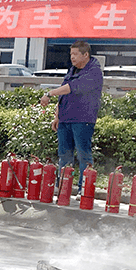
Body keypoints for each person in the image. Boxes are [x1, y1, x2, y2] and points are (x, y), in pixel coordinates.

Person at [39, 40, 103, 189]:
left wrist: (49, 93)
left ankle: (83, 189)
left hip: (82, 119)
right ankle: (62, 187)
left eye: (75, 54)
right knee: (64, 155)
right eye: (71, 54)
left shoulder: (94, 71)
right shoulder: (72, 70)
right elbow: (64, 94)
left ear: (85, 54)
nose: (72, 57)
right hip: (65, 119)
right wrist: (57, 116)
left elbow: (72, 88)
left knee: (83, 155)